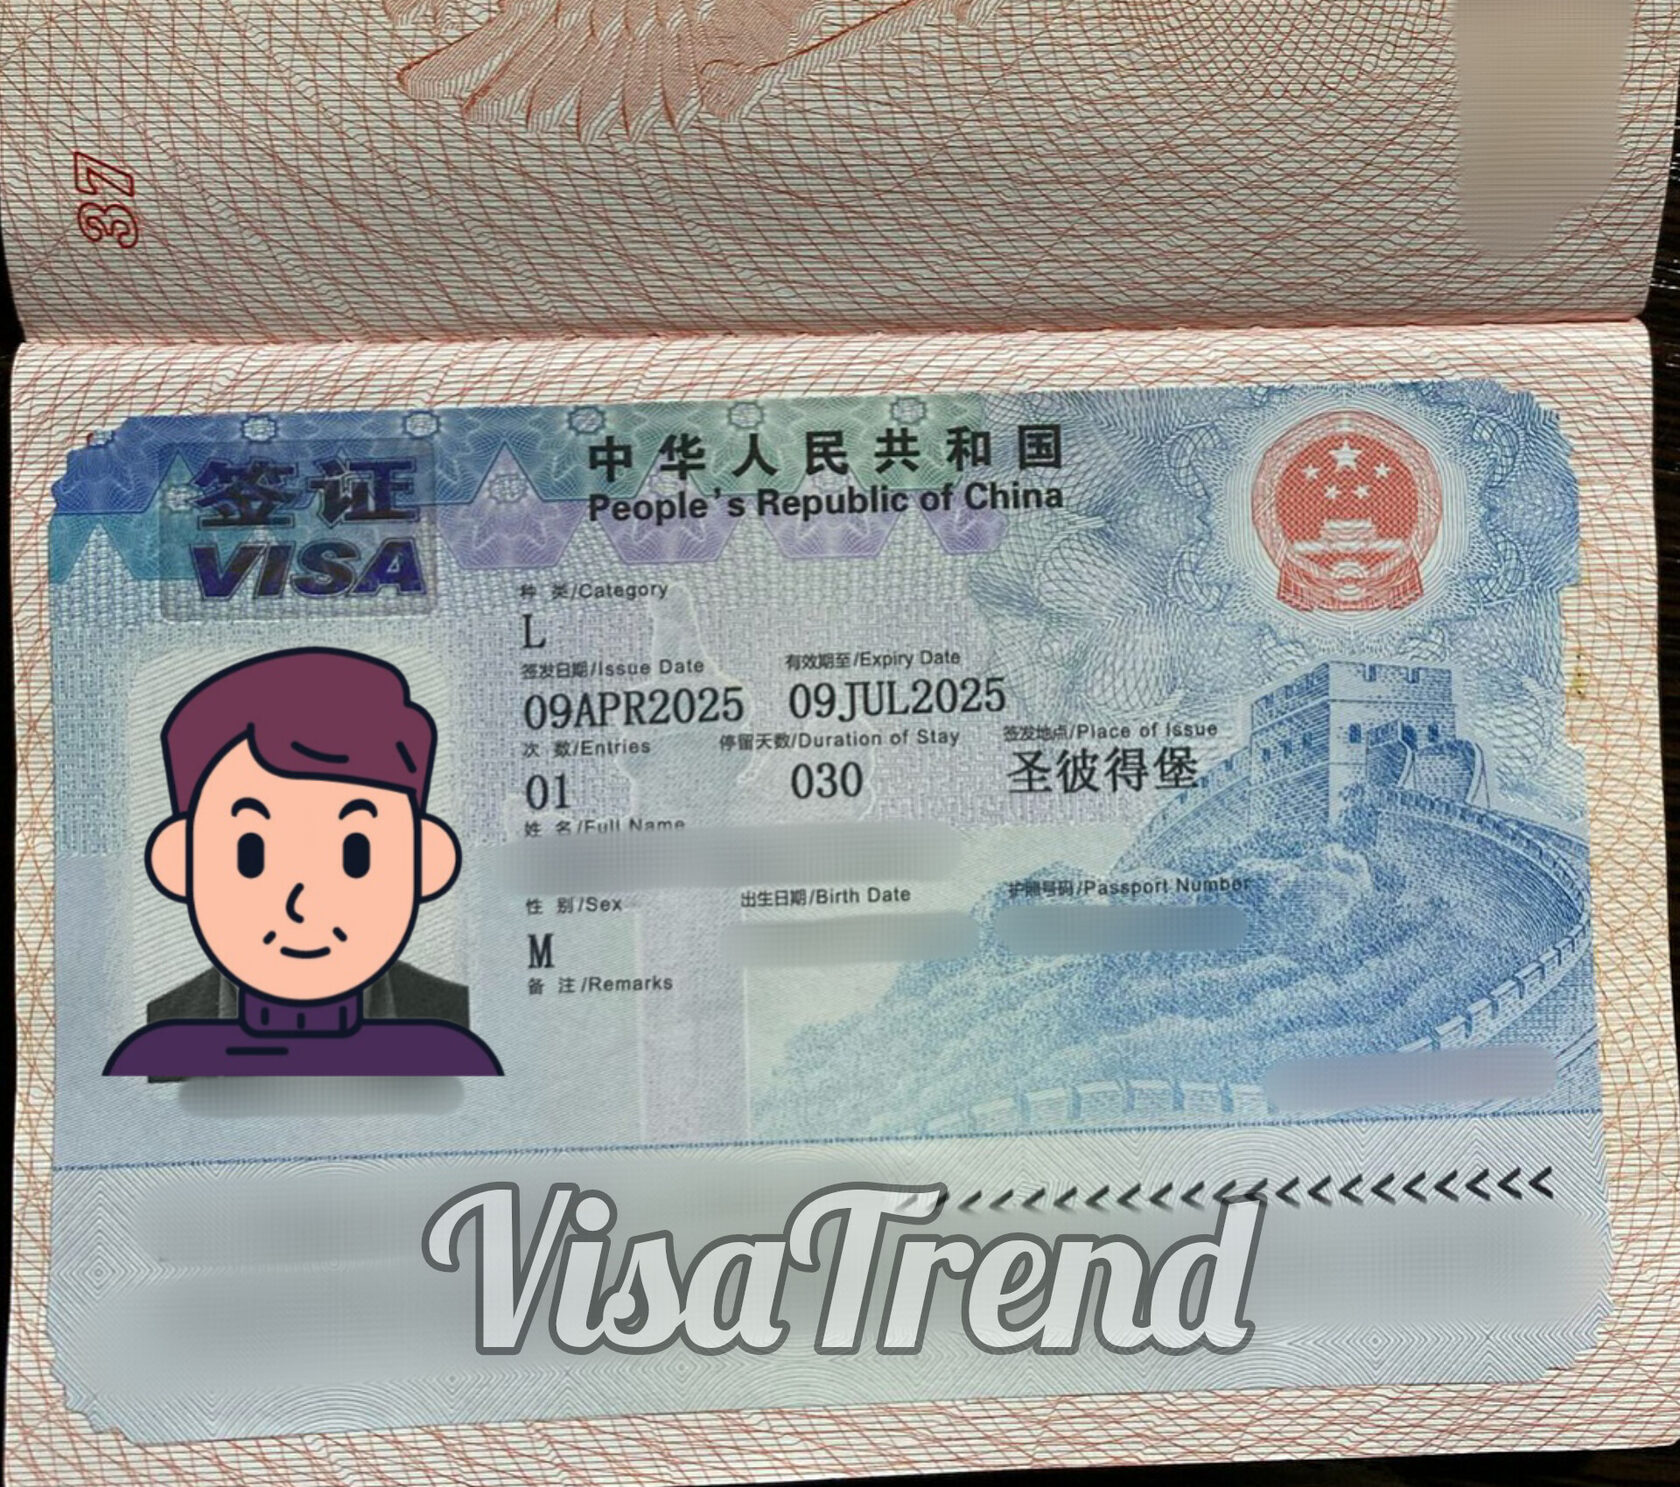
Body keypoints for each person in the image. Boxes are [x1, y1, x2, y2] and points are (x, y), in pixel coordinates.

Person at [103, 648, 501, 1077]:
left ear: (425, 860)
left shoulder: (462, 1028)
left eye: (356, 855)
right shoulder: (156, 1042)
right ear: (180, 861)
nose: (303, 904)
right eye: (251, 856)